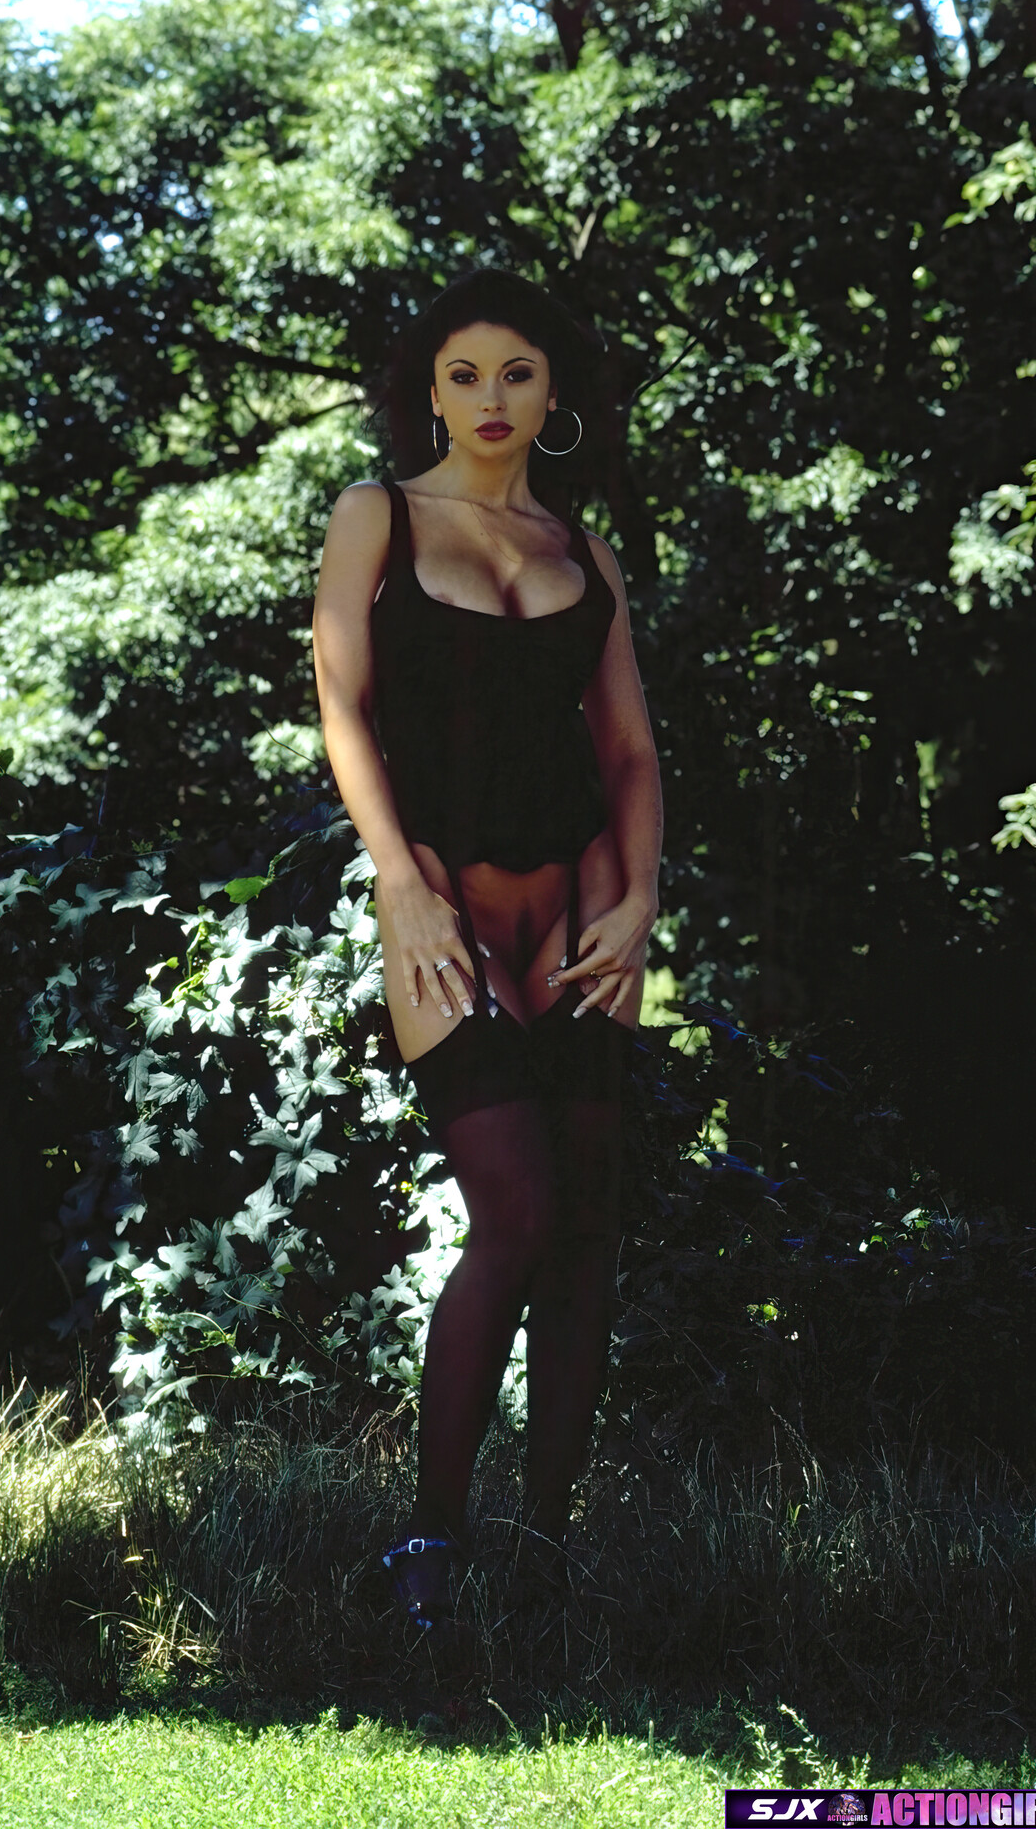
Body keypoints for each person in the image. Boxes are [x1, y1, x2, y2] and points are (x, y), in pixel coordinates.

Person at [311, 268, 663, 1628]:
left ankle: (548, 1554)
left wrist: (642, 898)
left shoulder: (587, 554)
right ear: (430, 391)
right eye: (464, 375)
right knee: (513, 1213)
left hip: (582, 905)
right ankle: (430, 1543)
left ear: (553, 390)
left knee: (588, 1237)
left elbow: (628, 754)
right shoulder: (379, 515)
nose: (491, 398)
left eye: (517, 373)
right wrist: (398, 884)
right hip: (444, 903)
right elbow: (342, 701)